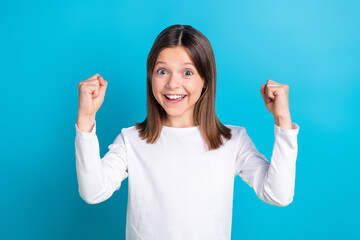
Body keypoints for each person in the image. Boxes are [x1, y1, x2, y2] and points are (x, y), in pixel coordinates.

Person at [75, 24, 300, 240]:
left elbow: (277, 194)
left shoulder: (232, 141)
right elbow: (93, 191)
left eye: (187, 72)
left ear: (205, 81)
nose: (173, 83)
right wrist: (86, 118)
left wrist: (283, 121)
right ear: (150, 78)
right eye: (162, 71)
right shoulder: (132, 140)